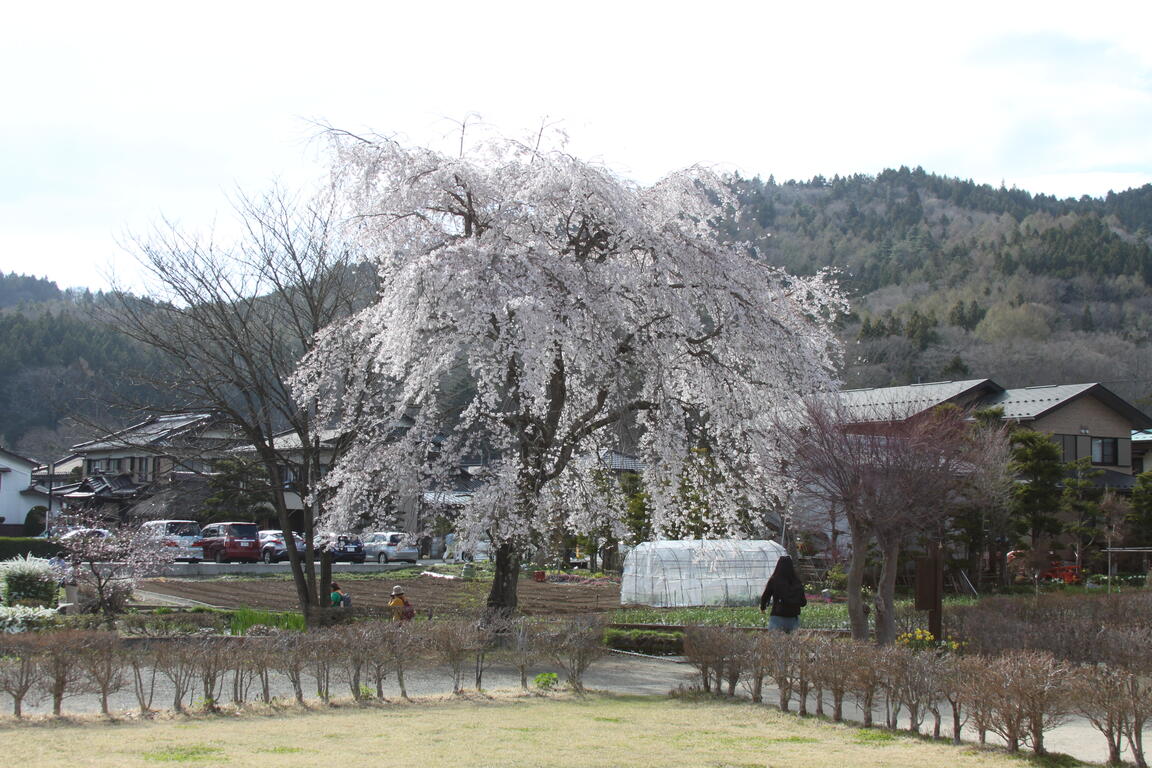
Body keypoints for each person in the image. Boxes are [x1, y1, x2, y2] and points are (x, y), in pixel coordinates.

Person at [759, 555, 806, 633]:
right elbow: (803, 602)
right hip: (793, 618)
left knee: (776, 643)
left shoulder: (774, 580)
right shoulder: (796, 581)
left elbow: (765, 596)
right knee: (792, 644)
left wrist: (763, 607)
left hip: (777, 617)